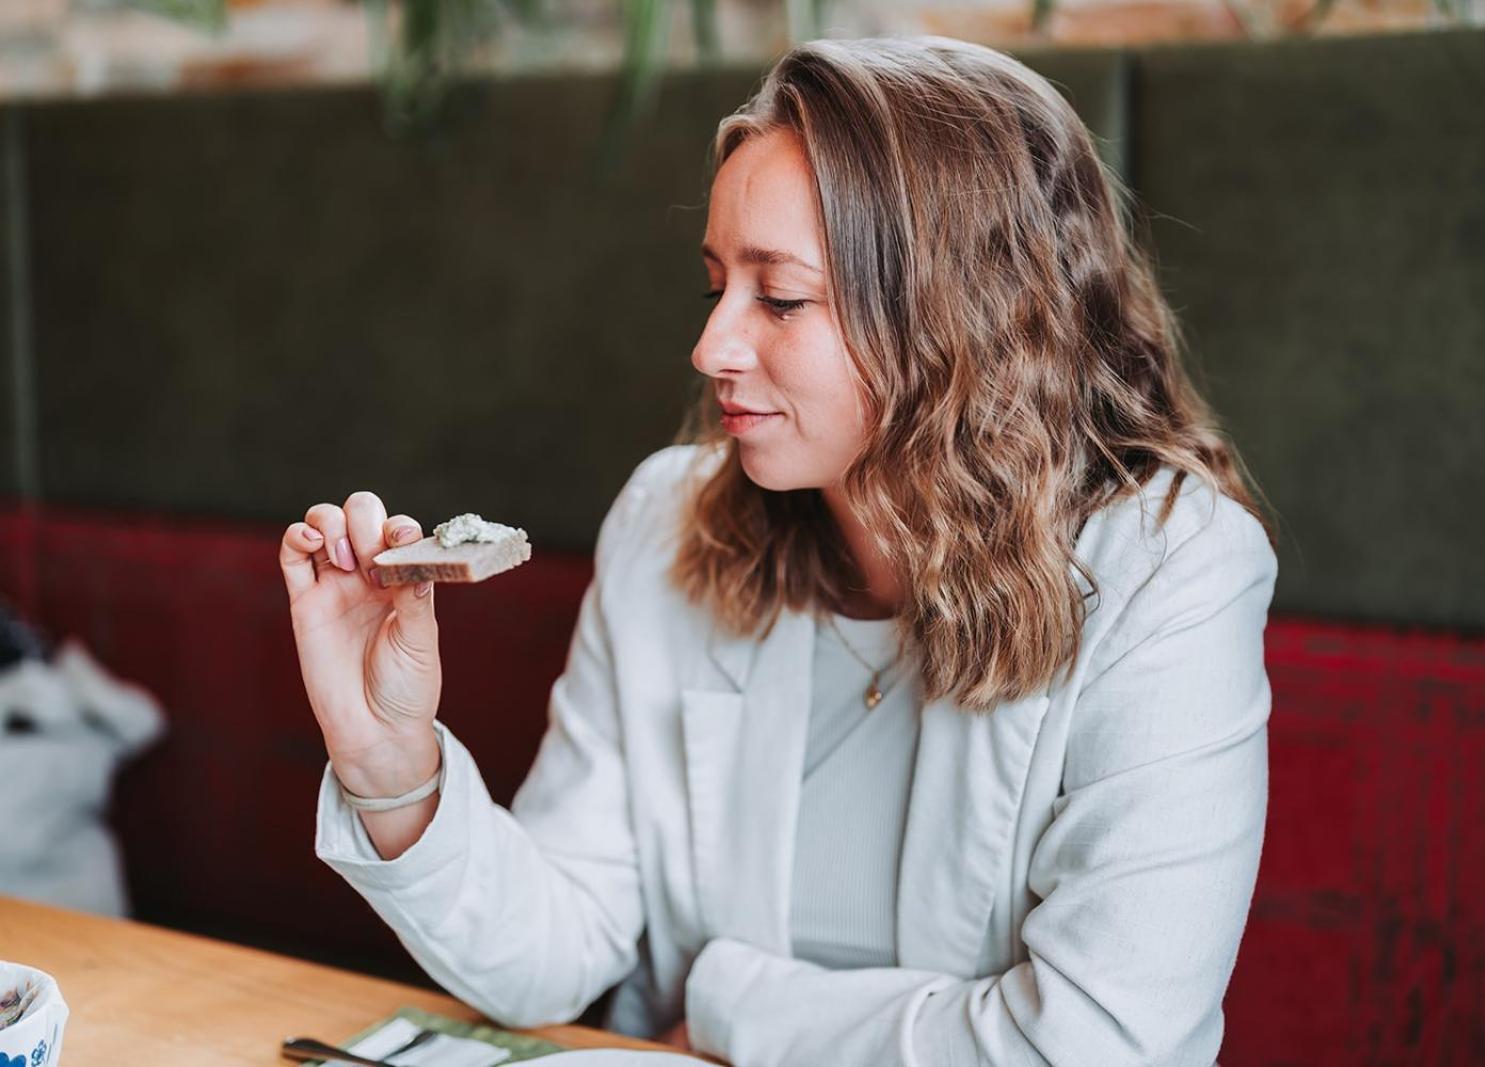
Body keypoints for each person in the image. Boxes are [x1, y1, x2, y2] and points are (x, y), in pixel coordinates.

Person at [279, 34, 1278, 1066]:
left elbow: (1099, 1042)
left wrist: (729, 1009)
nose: (712, 346)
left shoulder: (1173, 572)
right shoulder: (666, 518)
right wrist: (390, 762)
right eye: (716, 285)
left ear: (960, 314)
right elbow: (556, 952)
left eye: (781, 296)